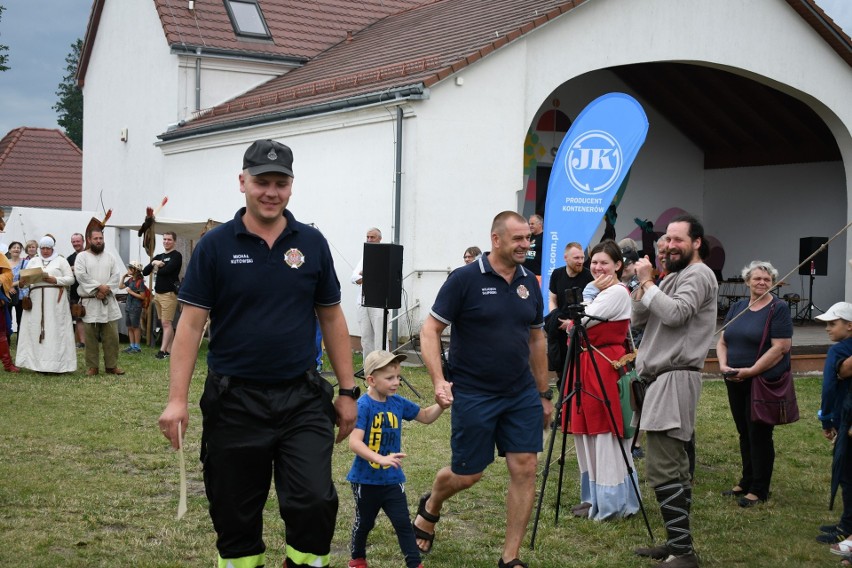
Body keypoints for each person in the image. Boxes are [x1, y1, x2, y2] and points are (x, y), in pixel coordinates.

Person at [157, 139, 358, 568]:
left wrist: (347, 391)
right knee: (234, 512)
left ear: (291, 186)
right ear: (242, 182)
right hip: (234, 400)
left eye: (280, 183)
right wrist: (177, 400)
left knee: (314, 502)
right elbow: (190, 326)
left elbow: (332, 319)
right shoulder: (215, 246)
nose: (271, 192)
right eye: (261, 182)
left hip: (301, 398)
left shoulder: (313, 243)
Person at [412, 211, 552, 568]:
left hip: (520, 393)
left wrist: (543, 393)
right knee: (467, 474)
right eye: (518, 238)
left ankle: (510, 558)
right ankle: (432, 504)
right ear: (496, 239)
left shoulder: (529, 282)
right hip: (474, 392)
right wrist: (439, 380)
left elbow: (537, 339)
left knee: (525, 467)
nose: (526, 244)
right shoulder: (464, 279)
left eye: (528, 238)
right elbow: (430, 331)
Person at [631, 214, 718, 568]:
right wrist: (643, 284)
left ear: (696, 242)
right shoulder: (674, 277)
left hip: (675, 377)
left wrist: (650, 284)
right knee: (674, 466)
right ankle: (676, 544)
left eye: (677, 239)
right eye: (666, 240)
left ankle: (682, 552)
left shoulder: (699, 274)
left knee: (664, 465)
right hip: (661, 380)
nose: (668, 245)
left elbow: (677, 314)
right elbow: (638, 317)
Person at [347, 350, 450, 568]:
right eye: (390, 378)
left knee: (403, 523)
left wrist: (441, 405)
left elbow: (424, 416)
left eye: (398, 377)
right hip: (366, 480)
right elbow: (354, 442)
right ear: (371, 380)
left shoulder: (398, 402)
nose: (396, 382)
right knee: (364, 523)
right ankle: (357, 559)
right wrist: (380, 459)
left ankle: (414, 563)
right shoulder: (363, 406)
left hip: (392, 479)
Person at [564, 240, 639, 521]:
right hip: (586, 364)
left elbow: (578, 323)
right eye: (594, 262)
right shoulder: (600, 293)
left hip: (604, 368)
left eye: (604, 263)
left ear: (618, 266)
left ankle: (612, 503)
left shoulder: (617, 293)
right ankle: (592, 497)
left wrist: (585, 302)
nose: (597, 267)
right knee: (586, 433)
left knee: (605, 434)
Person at [716, 260, 792, 507]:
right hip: (734, 379)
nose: (762, 282)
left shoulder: (778, 309)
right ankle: (746, 480)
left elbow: (781, 347)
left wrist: (750, 371)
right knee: (743, 432)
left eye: (767, 279)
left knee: (759, 433)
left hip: (761, 380)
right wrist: (723, 365)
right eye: (757, 278)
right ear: (747, 281)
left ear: (773, 283)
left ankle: (760, 489)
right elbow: (723, 340)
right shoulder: (737, 306)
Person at [815, 302, 852, 546]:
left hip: (844, 417)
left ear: (849, 326)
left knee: (846, 474)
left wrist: (826, 419)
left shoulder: (838, 352)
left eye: (833, 323)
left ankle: (847, 527)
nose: (828, 329)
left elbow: (828, 388)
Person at [14, 236, 76, 373]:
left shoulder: (61, 261)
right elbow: (25, 279)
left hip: (55, 301)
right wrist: (23, 282)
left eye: (48, 248)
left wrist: (55, 279)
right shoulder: (34, 261)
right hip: (36, 301)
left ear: (52, 248)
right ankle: (37, 364)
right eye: (43, 248)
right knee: (36, 329)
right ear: (39, 248)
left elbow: (71, 279)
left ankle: (57, 364)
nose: (45, 251)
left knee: (55, 330)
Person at [75, 229, 124, 376]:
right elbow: (81, 275)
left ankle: (111, 366)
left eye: (101, 238)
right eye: (95, 238)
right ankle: (92, 367)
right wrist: (98, 288)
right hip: (90, 302)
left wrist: (106, 290)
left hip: (107, 301)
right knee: (90, 337)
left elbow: (116, 275)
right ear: (89, 240)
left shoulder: (110, 257)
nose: (98, 241)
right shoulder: (81, 257)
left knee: (112, 337)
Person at [547, 242, 594, 380]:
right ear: (565, 258)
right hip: (559, 328)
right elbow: (552, 299)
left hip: (580, 329)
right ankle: (562, 395)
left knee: (577, 370)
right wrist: (557, 317)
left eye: (582, 257)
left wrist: (571, 323)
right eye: (576, 258)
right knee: (559, 366)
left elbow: (592, 306)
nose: (580, 261)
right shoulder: (557, 274)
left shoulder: (588, 277)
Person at [143, 231, 183, 359]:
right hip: (158, 295)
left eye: (169, 240)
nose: (166, 242)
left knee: (166, 323)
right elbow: (144, 272)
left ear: (174, 241)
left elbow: (166, 271)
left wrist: (157, 267)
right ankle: (170, 350)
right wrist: (154, 263)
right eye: (164, 239)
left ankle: (162, 351)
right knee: (165, 324)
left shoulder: (177, 256)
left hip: (169, 294)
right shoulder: (158, 256)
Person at [350, 227, 386, 355]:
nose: (369, 240)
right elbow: (353, 277)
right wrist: (367, 277)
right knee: (366, 338)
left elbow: (381, 277)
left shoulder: (385, 255)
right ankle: (369, 368)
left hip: (378, 302)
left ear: (379, 239)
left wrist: (365, 276)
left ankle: (382, 366)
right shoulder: (364, 255)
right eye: (368, 237)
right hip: (363, 301)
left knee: (380, 337)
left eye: (372, 237)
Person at [120, 260, 147, 354]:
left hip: (136, 307)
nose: (128, 269)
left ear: (135, 270)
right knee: (129, 327)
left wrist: (131, 292)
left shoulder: (140, 282)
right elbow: (120, 287)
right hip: (128, 306)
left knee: (135, 327)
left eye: (130, 268)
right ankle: (131, 346)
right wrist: (123, 277)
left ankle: (137, 347)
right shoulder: (131, 280)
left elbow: (143, 297)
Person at [66, 232, 87, 349]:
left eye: (78, 241)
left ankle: (92, 340)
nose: (76, 244)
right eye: (74, 242)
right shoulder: (69, 258)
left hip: (89, 292)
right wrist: (71, 269)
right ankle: (83, 342)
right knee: (79, 317)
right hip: (75, 292)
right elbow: (66, 273)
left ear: (83, 241)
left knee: (91, 317)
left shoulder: (89, 254)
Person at [7, 241, 24, 334]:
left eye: (18, 248)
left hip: (21, 295)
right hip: (6, 294)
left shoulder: (25, 263)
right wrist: (8, 287)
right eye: (14, 247)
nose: (16, 249)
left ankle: (20, 344)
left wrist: (11, 285)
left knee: (20, 320)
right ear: (9, 250)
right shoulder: (4, 263)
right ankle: (6, 342)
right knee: (7, 319)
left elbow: (25, 279)